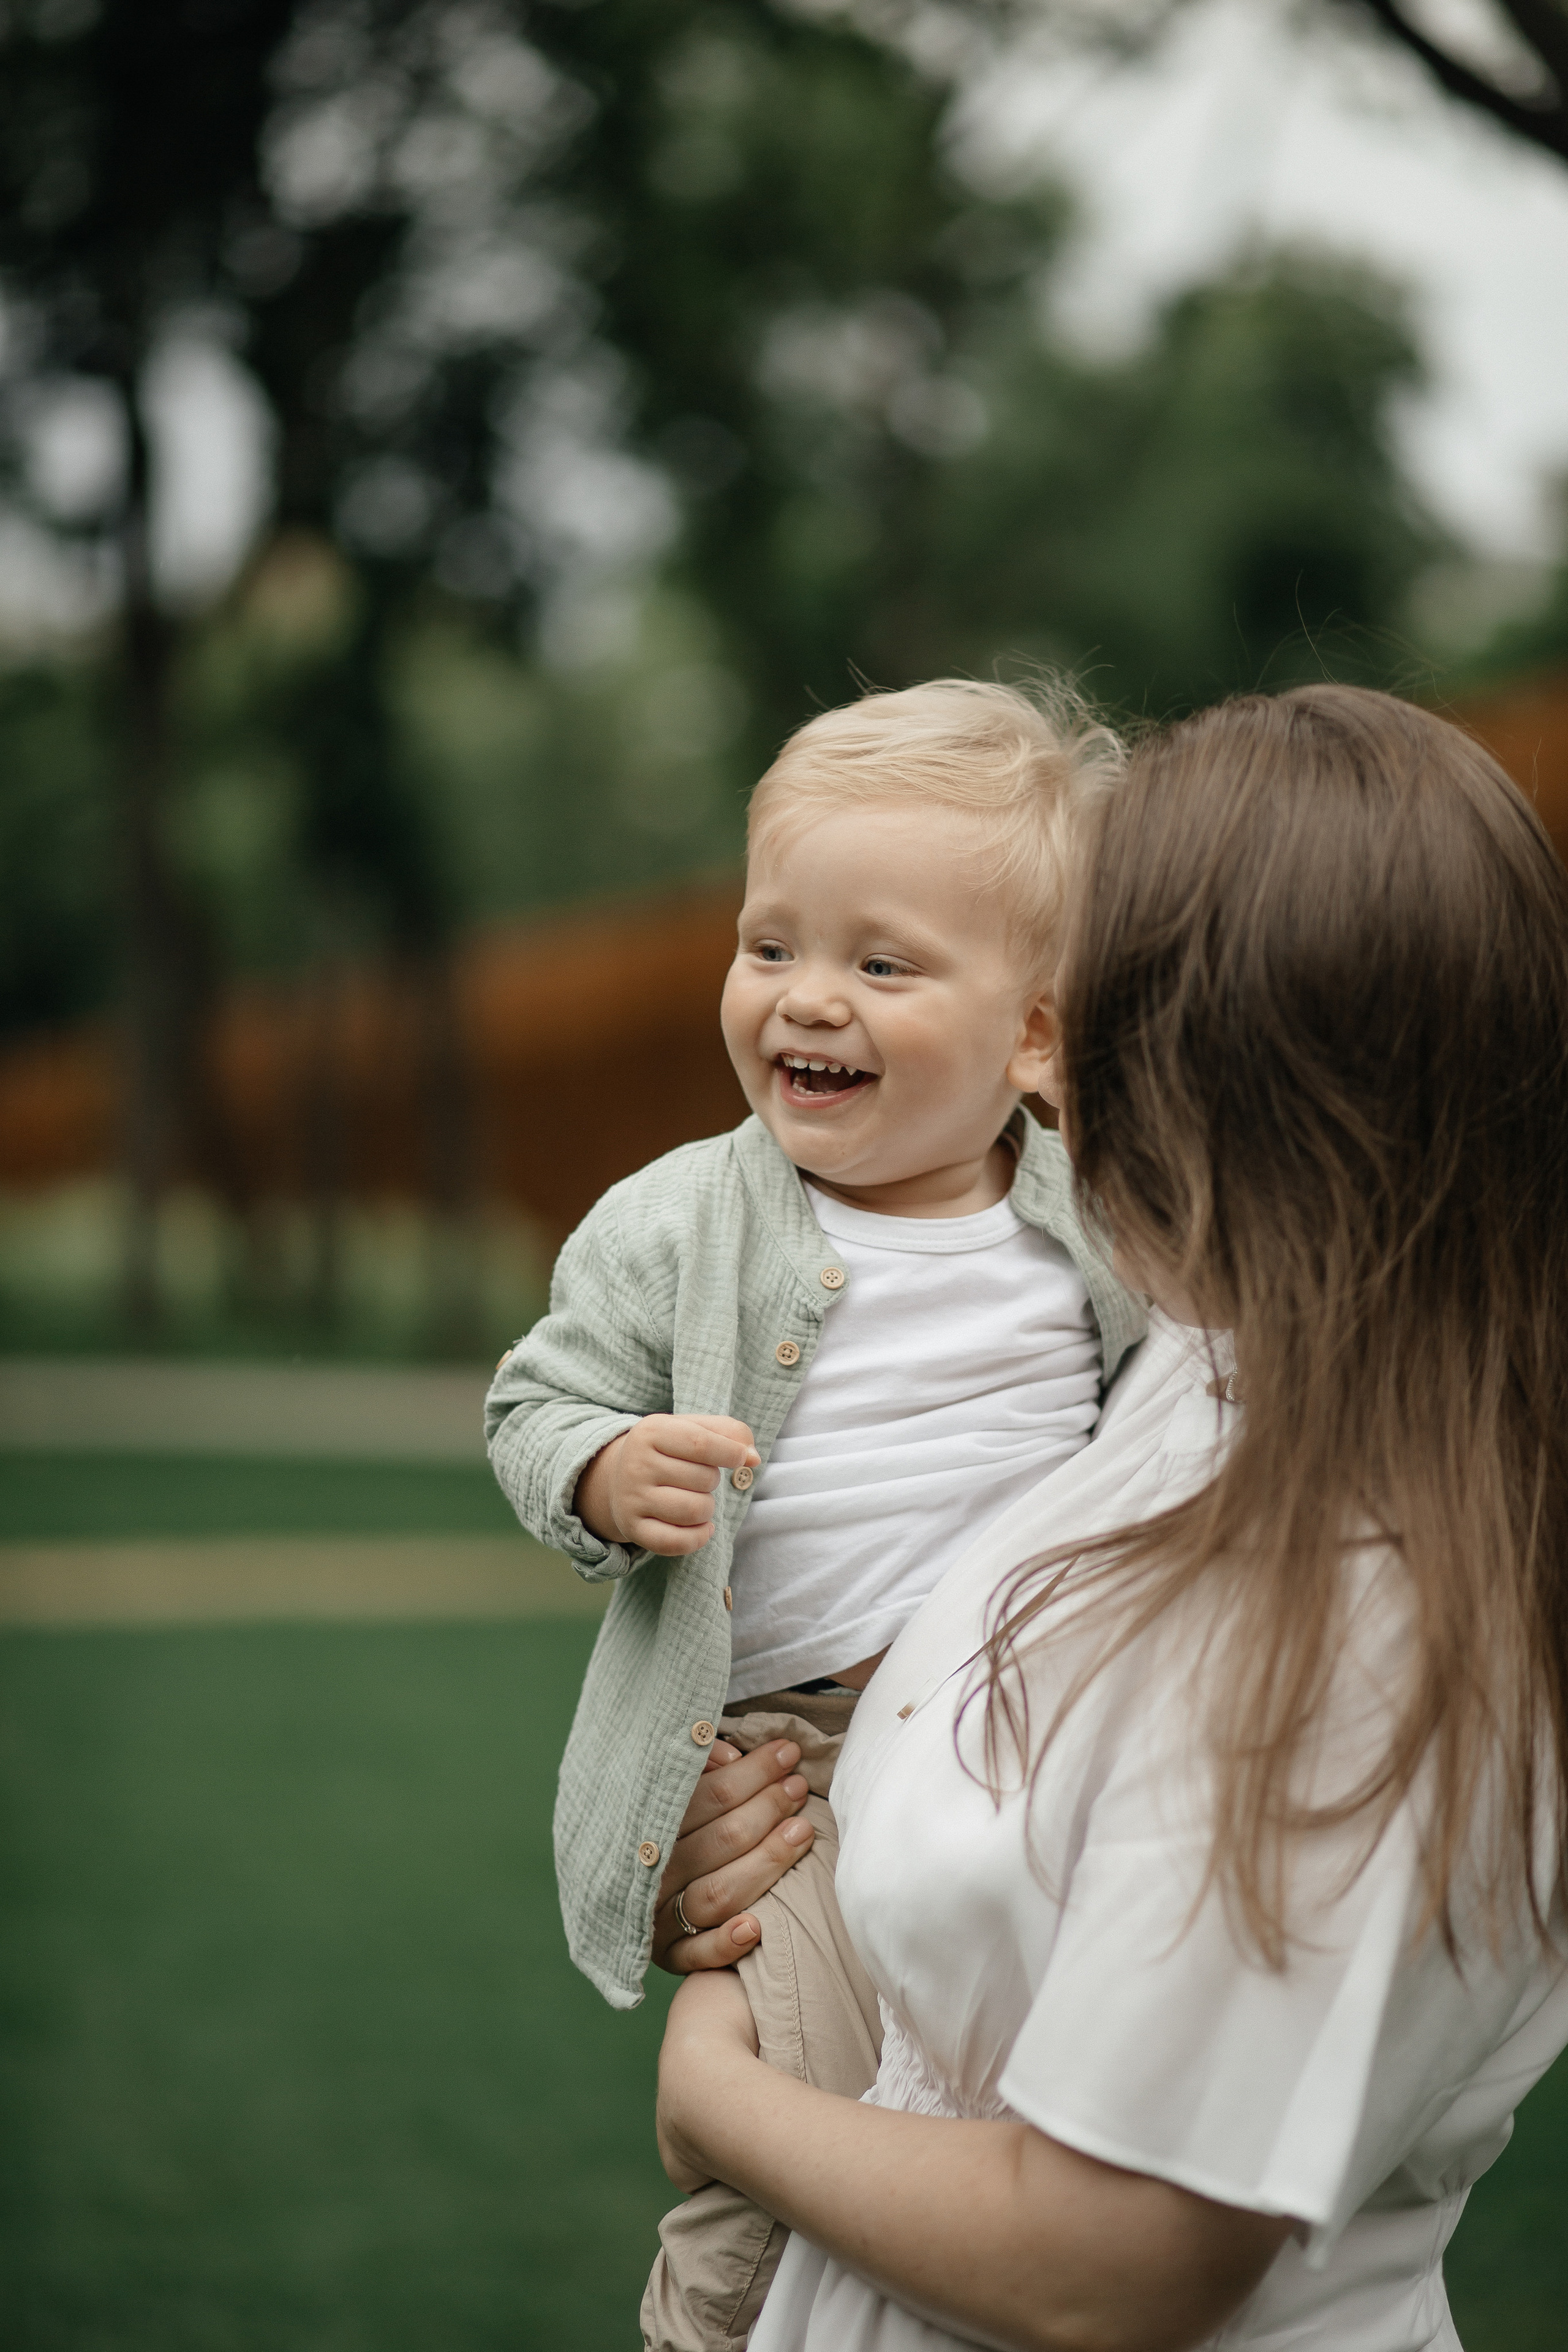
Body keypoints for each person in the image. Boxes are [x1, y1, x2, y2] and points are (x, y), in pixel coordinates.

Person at [655, 683, 1568, 2352]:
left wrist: (722, 2098)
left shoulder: (1360, 1609)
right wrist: (769, 1866)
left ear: (1194, 1067)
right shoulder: (1191, 1360)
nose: (1038, 1057)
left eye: (1076, 1008)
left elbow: (1108, 2261)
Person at [484, 677, 1147, 2350]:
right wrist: (596, 1469)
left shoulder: (1098, 1229)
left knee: (1022, 2130)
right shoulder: (683, 1220)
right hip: (797, 1774)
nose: (805, 1002)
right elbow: (532, 1398)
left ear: (1038, 1036)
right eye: (771, 944)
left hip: (1042, 1750)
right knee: (796, 2149)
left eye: (881, 962)